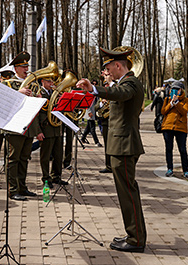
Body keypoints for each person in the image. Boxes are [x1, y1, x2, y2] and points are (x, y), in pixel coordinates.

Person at [77, 47, 146, 253]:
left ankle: (135, 239)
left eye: (108, 67)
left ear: (118, 65)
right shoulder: (124, 82)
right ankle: (133, 234)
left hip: (124, 145)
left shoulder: (130, 83)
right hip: (121, 145)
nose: (106, 71)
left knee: (128, 193)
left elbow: (120, 94)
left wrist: (95, 89)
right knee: (127, 192)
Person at [3, 51, 40, 201]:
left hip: (29, 126)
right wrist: (19, 92)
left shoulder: (33, 84)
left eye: (27, 66)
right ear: (16, 68)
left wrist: (38, 100)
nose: (26, 69)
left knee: (25, 158)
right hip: (15, 126)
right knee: (13, 159)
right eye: (23, 66)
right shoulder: (8, 83)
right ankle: (12, 190)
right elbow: (3, 103)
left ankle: (22, 187)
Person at [38, 77, 67, 189]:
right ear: (43, 82)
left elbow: (61, 110)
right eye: (49, 81)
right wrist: (38, 131)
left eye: (52, 81)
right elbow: (37, 114)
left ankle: (56, 176)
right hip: (46, 128)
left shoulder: (55, 93)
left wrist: (62, 100)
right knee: (45, 156)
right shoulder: (39, 93)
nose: (51, 83)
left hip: (57, 128)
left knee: (58, 154)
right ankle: (46, 178)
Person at [161, 80, 188, 179]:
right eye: (173, 89)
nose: (174, 91)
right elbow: (163, 111)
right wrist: (171, 103)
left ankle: (185, 170)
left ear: (181, 90)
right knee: (168, 149)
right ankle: (170, 169)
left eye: (177, 89)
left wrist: (177, 103)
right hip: (167, 127)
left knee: (182, 149)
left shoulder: (186, 100)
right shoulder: (167, 99)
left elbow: (184, 111)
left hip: (180, 128)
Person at [81, 80, 103, 147]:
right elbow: (88, 104)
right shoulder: (88, 93)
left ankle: (83, 138)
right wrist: (90, 112)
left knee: (88, 127)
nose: (94, 84)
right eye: (93, 83)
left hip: (93, 112)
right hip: (90, 113)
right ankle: (96, 142)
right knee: (92, 128)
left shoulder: (95, 92)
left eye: (95, 84)